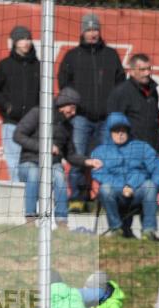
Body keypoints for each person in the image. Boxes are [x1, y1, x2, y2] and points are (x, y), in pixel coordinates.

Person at [58, 13, 125, 204]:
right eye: (88, 30)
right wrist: (73, 107)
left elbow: (121, 84)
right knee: (78, 158)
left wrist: (114, 109)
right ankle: (78, 198)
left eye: (95, 29)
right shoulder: (72, 56)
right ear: (82, 32)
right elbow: (64, 85)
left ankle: (107, 199)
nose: (92, 33)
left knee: (107, 160)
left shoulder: (111, 55)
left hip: (106, 119)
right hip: (80, 118)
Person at [12, 88, 99, 225]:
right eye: (72, 108)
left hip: (52, 164)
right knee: (35, 173)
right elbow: (18, 135)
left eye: (75, 109)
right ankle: (30, 217)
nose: (74, 113)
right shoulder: (38, 113)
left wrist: (87, 161)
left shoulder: (67, 127)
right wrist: (44, 147)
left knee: (59, 176)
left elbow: (70, 155)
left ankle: (61, 219)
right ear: (62, 104)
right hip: (29, 161)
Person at [92, 113, 159, 241]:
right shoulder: (99, 151)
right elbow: (99, 174)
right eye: (116, 130)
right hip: (116, 192)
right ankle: (117, 229)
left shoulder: (142, 147)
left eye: (123, 130)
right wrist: (123, 187)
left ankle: (148, 232)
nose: (120, 134)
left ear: (128, 131)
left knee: (149, 186)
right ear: (109, 132)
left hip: (138, 191)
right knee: (105, 189)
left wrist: (136, 185)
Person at [0, 25, 40, 182]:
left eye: (28, 38)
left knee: (34, 165)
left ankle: (32, 202)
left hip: (34, 126)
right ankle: (17, 202)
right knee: (14, 164)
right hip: (12, 123)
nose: (26, 42)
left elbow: (45, 93)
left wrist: (38, 114)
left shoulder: (39, 66)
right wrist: (7, 107)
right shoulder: (4, 65)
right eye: (22, 38)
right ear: (15, 42)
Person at [107, 53, 159, 155]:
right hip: (131, 150)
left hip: (153, 149)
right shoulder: (121, 92)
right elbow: (113, 125)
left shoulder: (153, 90)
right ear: (131, 72)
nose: (147, 73)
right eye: (142, 70)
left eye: (149, 69)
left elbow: (155, 119)